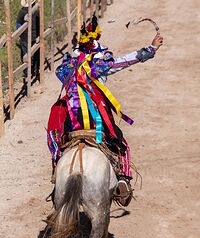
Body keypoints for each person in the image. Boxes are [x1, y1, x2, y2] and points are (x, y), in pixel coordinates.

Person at [47, 15, 163, 206]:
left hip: (71, 117)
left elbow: (61, 74)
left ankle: (57, 173)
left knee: (57, 140)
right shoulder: (100, 65)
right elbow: (125, 61)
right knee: (122, 144)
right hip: (96, 119)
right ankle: (124, 179)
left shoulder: (67, 65)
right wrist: (151, 48)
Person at [16, 0, 40, 80]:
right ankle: (35, 70)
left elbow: (18, 25)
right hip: (35, 36)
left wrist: (19, 34)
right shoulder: (37, 11)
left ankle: (27, 72)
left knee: (26, 54)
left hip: (25, 37)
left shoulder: (22, 12)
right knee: (35, 54)